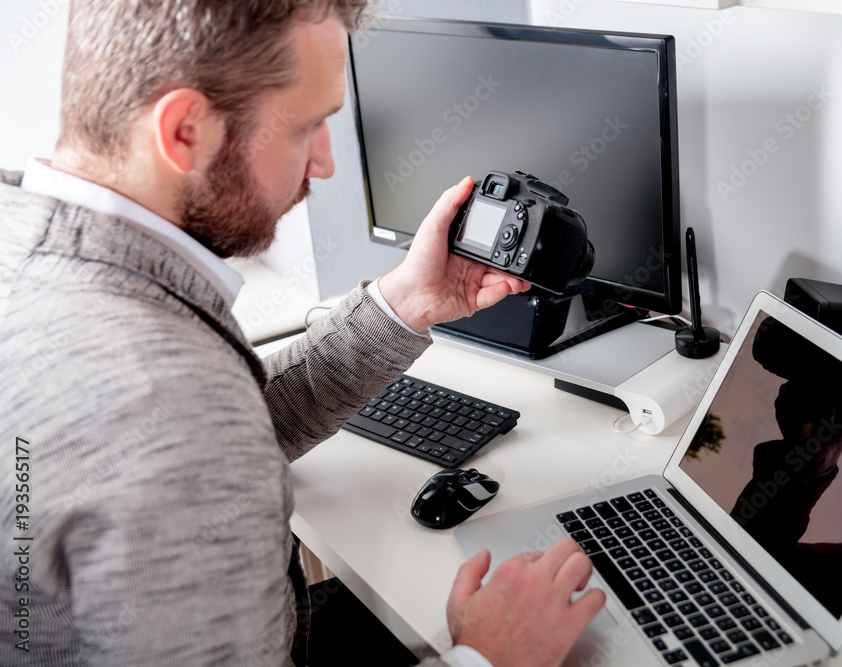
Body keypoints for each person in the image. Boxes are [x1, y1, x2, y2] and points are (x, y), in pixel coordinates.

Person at [0, 1, 605, 665]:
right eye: (308, 127)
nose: (324, 164)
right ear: (184, 131)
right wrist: (488, 656)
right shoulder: (167, 397)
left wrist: (409, 301)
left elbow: (234, 426)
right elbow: (189, 431)